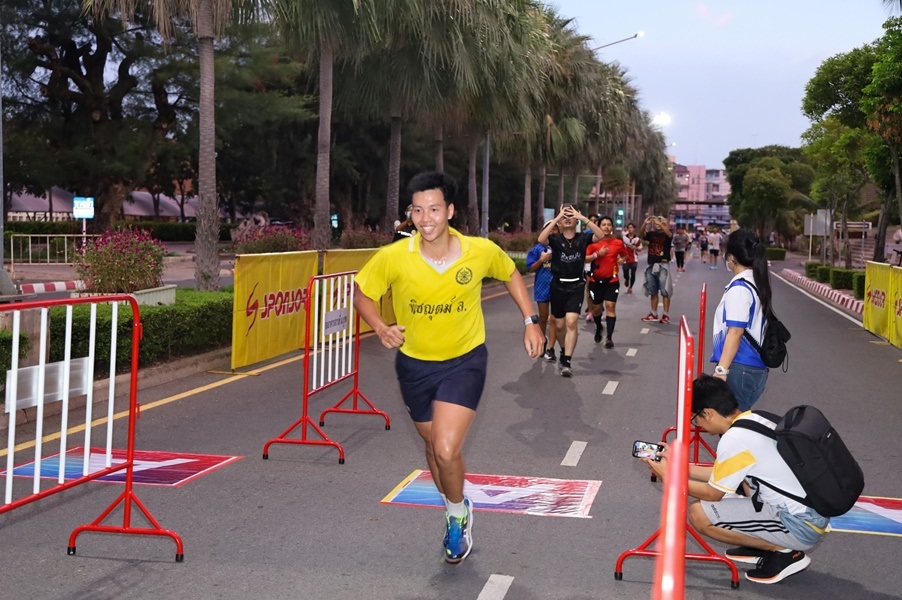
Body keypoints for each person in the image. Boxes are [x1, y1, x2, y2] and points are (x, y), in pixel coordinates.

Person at [353, 171, 545, 564]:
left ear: (450, 211)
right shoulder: (394, 256)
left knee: (445, 447)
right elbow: (362, 292)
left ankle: (457, 517)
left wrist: (530, 320)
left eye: (434, 209)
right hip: (414, 365)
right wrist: (380, 327)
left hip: (464, 361)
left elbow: (510, 272)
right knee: (433, 448)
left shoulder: (478, 250)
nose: (425, 219)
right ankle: (454, 504)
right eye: (417, 210)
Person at [645, 375, 828, 585]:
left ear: (708, 413)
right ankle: (766, 541)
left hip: (800, 524)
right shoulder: (753, 418)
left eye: (695, 419)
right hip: (811, 509)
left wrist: (668, 477)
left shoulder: (734, 440)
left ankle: (781, 551)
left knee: (699, 514)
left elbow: (712, 494)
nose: (698, 425)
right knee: (741, 485)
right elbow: (723, 474)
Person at [710, 228, 774, 410]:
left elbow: (736, 331)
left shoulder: (739, 288)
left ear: (731, 257)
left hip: (740, 368)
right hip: (750, 368)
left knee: (730, 424)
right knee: (735, 422)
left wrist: (721, 370)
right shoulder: (756, 281)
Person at [537, 204, 604, 377]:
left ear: (576, 221)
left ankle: (567, 361)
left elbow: (600, 235)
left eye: (571, 216)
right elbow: (541, 239)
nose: (568, 219)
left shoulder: (583, 238)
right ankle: (563, 350)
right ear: (560, 222)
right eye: (564, 217)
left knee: (572, 322)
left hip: (576, 286)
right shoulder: (555, 239)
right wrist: (557, 218)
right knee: (559, 325)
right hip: (557, 285)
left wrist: (582, 217)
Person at [585, 216, 630, 348]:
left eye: (609, 224)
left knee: (610, 306)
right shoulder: (592, 242)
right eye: (603, 224)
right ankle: (599, 326)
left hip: (612, 280)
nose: (606, 227)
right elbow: (585, 259)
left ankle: (609, 338)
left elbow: (625, 254)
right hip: (595, 280)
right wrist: (597, 254)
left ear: (612, 227)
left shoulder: (618, 243)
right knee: (596, 309)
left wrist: (622, 260)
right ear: (598, 227)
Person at [527, 221, 559, 362]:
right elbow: (530, 268)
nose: (552, 232)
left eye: (555, 229)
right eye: (549, 229)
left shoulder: (561, 247)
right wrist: (541, 260)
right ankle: (542, 342)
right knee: (543, 317)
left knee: (554, 318)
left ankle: (551, 348)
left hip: (558, 286)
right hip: (542, 286)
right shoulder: (537, 249)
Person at [638, 216, 673, 324]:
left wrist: (661, 223)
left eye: (661, 222)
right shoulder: (651, 234)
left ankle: (666, 314)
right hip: (651, 265)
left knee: (664, 291)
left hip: (663, 265)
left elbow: (669, 234)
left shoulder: (667, 234)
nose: (658, 223)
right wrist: (645, 223)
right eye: (657, 222)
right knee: (653, 291)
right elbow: (641, 234)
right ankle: (653, 313)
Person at [622, 222, 642, 294]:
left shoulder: (637, 239)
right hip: (625, 259)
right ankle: (627, 279)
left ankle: (630, 287)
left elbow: (640, 248)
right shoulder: (623, 238)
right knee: (625, 274)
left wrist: (635, 248)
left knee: (633, 274)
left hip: (634, 259)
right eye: (629, 228)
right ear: (627, 229)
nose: (630, 229)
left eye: (631, 227)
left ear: (634, 229)